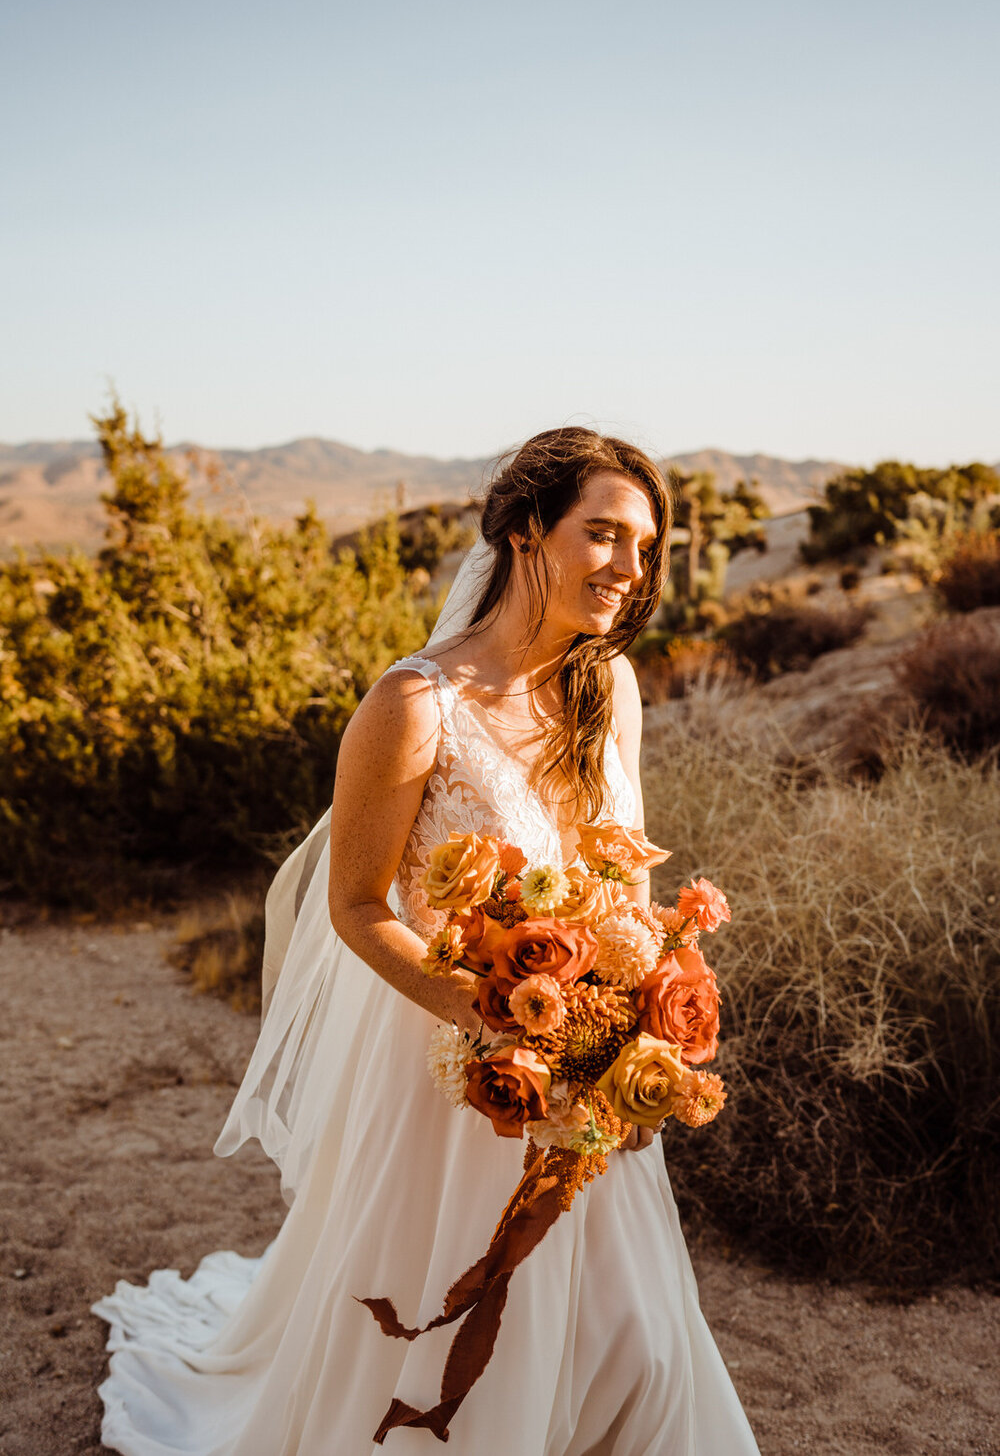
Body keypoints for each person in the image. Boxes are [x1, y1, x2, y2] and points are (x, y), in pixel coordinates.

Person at [93, 427, 760, 1455]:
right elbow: (358, 906)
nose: (630, 569)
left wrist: (643, 1008)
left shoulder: (607, 690)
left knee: (636, 1337)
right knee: (456, 1346)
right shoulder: (414, 706)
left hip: (592, 1064)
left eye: (647, 546)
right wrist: (486, 1019)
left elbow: (627, 879)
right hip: (455, 1077)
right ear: (524, 530)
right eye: (604, 535)